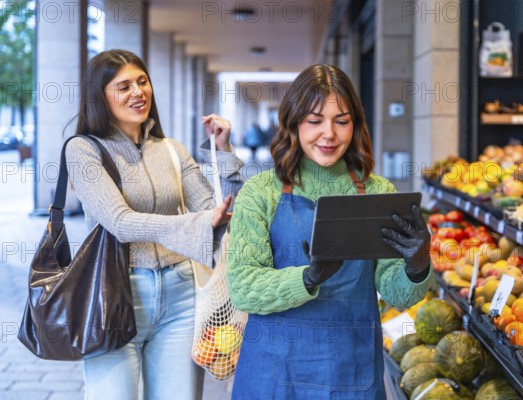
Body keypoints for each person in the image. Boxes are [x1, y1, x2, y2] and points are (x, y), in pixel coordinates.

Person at [226, 64, 432, 399]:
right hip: (273, 377)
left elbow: (397, 294)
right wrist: (306, 278)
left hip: (349, 373)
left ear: (356, 124)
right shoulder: (260, 192)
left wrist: (417, 266)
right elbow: (243, 288)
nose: (329, 134)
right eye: (314, 120)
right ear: (293, 122)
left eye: (341, 121)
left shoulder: (378, 193)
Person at [64, 49, 244, 400]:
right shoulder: (84, 151)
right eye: (124, 86)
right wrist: (196, 224)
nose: (138, 92)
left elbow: (218, 213)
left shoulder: (173, 151)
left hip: (180, 296)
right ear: (99, 96)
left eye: (142, 81)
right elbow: (120, 222)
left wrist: (223, 152)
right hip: (115, 295)